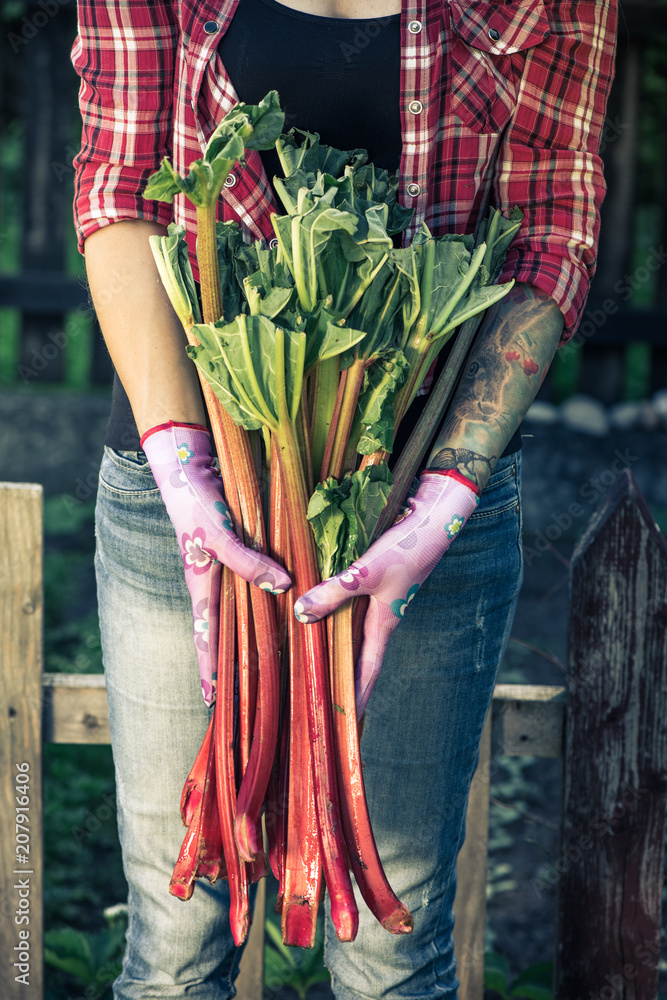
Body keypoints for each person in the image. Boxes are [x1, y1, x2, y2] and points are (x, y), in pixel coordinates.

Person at [71, 1, 617, 997]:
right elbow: (120, 185)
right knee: (173, 951)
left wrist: (446, 495)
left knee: (387, 958)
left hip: (431, 491)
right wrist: (189, 482)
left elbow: (547, 228)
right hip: (183, 477)